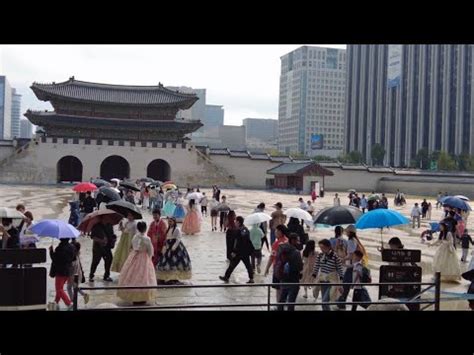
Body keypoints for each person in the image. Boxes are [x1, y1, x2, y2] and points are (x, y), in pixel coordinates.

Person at [117, 221, 157, 304]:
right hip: (143, 257)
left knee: (131, 274)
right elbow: (150, 250)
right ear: (145, 228)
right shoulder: (147, 238)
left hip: (134, 255)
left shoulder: (135, 236)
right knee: (144, 277)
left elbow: (132, 245)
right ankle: (142, 297)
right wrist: (148, 259)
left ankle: (133, 295)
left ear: (138, 228)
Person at [156, 217, 192, 284]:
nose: (169, 223)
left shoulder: (177, 229)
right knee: (166, 262)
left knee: (175, 263)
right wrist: (165, 247)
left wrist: (174, 247)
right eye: (169, 221)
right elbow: (166, 239)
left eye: (171, 221)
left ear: (174, 222)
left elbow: (178, 239)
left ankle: (175, 278)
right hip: (168, 247)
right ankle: (166, 277)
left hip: (175, 248)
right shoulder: (168, 229)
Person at [219, 216, 255, 283]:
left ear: (238, 222)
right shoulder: (245, 229)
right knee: (241, 265)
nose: (235, 222)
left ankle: (226, 277)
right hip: (244, 251)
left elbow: (238, 243)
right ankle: (251, 278)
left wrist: (234, 251)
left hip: (240, 252)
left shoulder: (239, 231)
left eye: (235, 221)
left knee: (234, 264)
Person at [312, 239, 344, 311]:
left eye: (323, 248)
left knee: (324, 302)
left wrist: (341, 284)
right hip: (323, 280)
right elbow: (316, 266)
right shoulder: (320, 255)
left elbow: (340, 270)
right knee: (324, 303)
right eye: (320, 248)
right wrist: (313, 277)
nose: (322, 250)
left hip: (332, 281)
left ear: (328, 247)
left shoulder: (335, 257)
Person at [277, 233, 303, 311]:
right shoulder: (296, 252)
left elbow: (278, 260)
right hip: (293, 279)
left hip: (283, 277)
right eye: (297, 240)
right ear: (293, 240)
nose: (298, 242)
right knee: (291, 302)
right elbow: (299, 267)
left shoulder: (281, 248)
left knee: (281, 300)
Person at [264, 225, 289, 304]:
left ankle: (279, 304)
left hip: (277, 268)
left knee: (278, 288)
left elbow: (272, 257)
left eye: (276, 231)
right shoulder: (288, 241)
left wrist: (267, 268)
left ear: (280, 232)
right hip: (287, 268)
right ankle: (284, 303)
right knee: (284, 287)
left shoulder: (276, 244)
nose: (275, 232)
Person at [49, 238, 75, 310]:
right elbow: (72, 258)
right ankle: (56, 302)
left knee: (59, 289)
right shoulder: (72, 247)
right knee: (60, 288)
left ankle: (68, 303)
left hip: (60, 271)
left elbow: (55, 259)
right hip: (68, 271)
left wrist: (51, 251)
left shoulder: (60, 248)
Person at [89, 216, 116, 282]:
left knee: (109, 259)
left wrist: (114, 240)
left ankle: (106, 275)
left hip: (107, 247)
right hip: (98, 248)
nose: (107, 219)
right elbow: (93, 237)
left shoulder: (110, 225)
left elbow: (112, 235)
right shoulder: (96, 226)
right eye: (106, 218)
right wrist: (101, 241)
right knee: (95, 261)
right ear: (102, 219)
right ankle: (91, 275)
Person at [67, 240, 89, 305]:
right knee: (74, 287)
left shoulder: (73, 258)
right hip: (77, 274)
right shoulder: (77, 255)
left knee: (69, 288)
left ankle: (73, 301)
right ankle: (84, 295)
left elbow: (71, 267)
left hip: (73, 275)